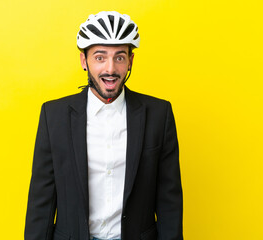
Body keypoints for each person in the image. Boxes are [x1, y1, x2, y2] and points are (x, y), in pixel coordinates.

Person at [24, 11, 183, 240]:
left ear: (130, 61)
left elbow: (169, 201)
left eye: (119, 57)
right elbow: (42, 201)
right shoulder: (54, 116)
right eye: (100, 57)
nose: (110, 69)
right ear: (84, 61)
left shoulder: (159, 114)